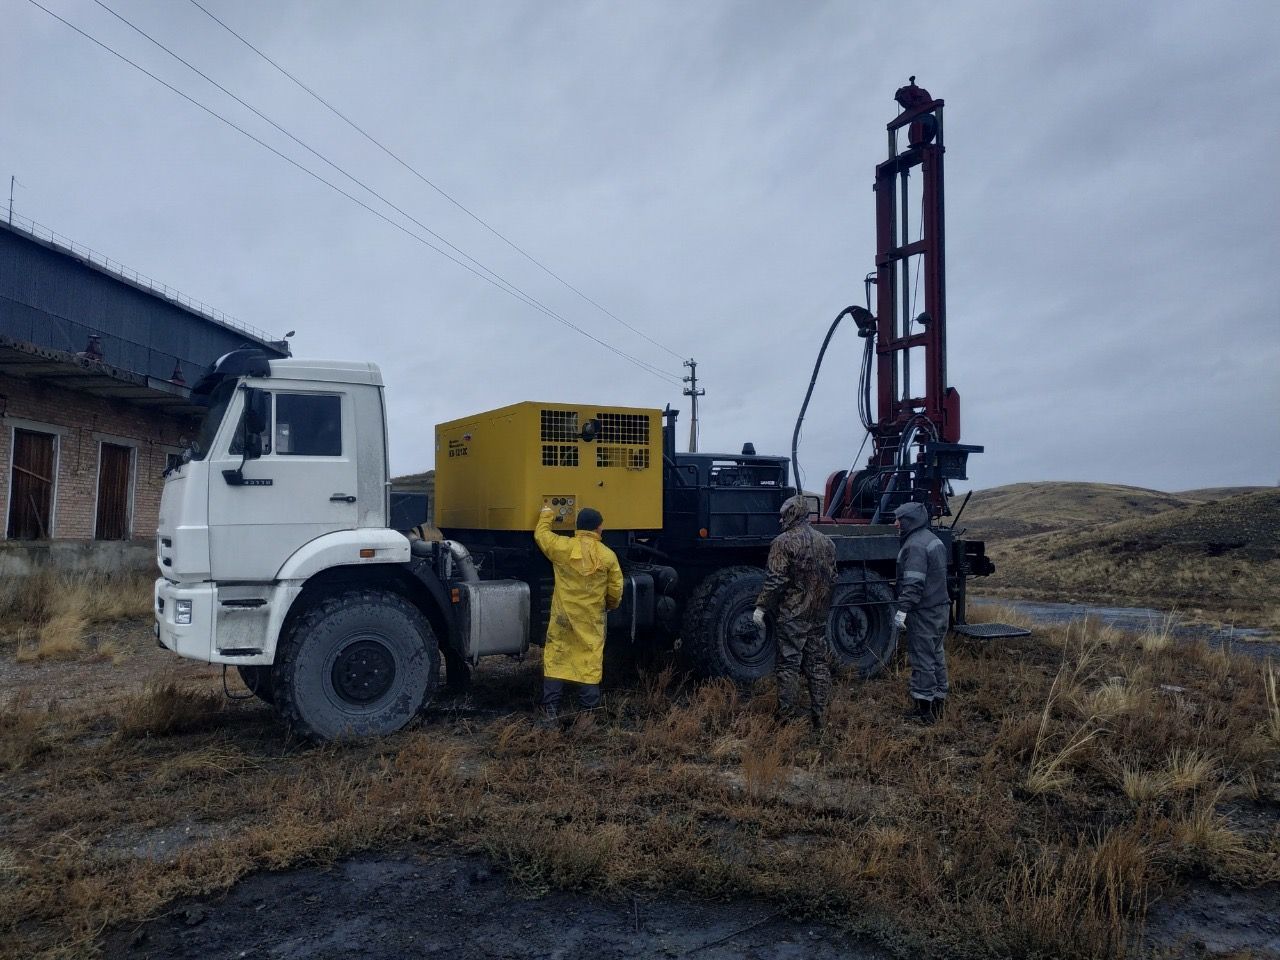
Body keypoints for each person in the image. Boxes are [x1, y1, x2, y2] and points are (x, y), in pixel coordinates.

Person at [753, 495, 838, 730]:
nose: (781, 519)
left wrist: (761, 607)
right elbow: (833, 578)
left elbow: (775, 580)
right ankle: (821, 720)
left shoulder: (783, 542)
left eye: (784, 514)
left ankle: (787, 720)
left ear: (792, 514)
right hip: (819, 612)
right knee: (818, 665)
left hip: (793, 613)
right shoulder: (827, 542)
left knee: (789, 664)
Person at [534, 503, 623, 725]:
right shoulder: (608, 556)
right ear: (598, 528)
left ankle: (550, 714)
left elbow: (542, 536)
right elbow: (615, 591)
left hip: (563, 619)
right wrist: (610, 605)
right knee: (589, 662)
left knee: (557, 659)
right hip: (590, 621)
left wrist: (547, 514)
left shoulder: (562, 548)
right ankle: (587, 719)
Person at [893, 501, 951, 724]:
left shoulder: (915, 545)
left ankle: (924, 711)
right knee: (937, 654)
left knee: (922, 658)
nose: (896, 523)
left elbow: (914, 582)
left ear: (909, 521)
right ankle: (938, 702)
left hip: (924, 611)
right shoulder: (932, 539)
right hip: (940, 607)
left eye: (899, 519)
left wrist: (903, 609)